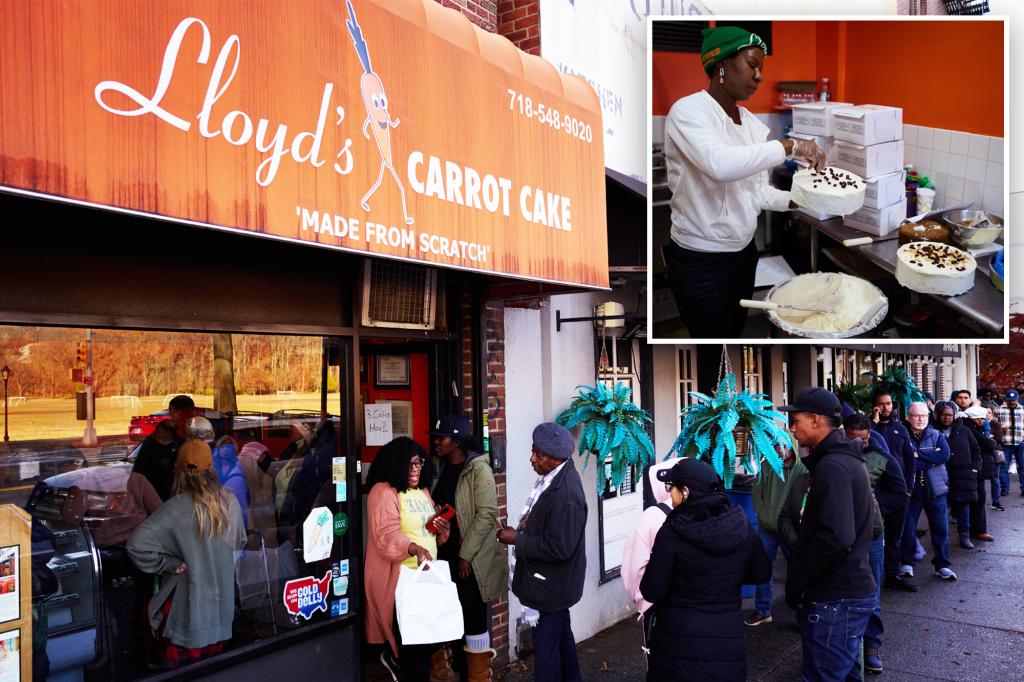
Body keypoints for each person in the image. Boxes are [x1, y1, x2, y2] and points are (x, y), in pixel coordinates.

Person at [662, 25, 826, 338]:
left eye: (761, 68)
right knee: (711, 343)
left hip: (742, 255)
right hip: (700, 259)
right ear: (721, 65)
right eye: (752, 65)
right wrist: (791, 146)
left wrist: (799, 199)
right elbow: (720, 165)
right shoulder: (688, 112)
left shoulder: (751, 123)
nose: (759, 76)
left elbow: (756, 191)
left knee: (734, 333)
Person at [639, 458, 770, 681]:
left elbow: (652, 590)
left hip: (678, 643)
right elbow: (760, 573)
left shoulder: (672, 531)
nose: (670, 495)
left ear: (686, 491)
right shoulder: (741, 524)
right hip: (726, 640)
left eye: (672, 489)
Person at [779, 388, 876, 682]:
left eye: (796, 420)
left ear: (816, 420)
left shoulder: (833, 466)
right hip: (843, 595)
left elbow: (836, 537)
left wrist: (802, 579)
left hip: (836, 598)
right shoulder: (836, 461)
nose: (792, 428)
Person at [126, 439, 246, 669]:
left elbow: (135, 545)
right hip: (221, 617)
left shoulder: (174, 509)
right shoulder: (230, 501)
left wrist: (169, 563)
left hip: (186, 620)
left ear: (178, 471)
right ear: (211, 467)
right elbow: (238, 543)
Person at [497, 423, 586, 682]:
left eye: (538, 454)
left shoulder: (566, 494)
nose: (532, 458)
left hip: (552, 587)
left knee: (546, 652)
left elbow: (561, 547)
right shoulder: (554, 478)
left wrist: (518, 540)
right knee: (562, 641)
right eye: (533, 451)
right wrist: (519, 533)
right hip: (552, 585)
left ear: (556, 458)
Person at [364, 437, 451, 682]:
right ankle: (395, 659)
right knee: (414, 652)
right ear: (395, 464)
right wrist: (413, 548)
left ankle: (395, 660)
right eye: (409, 463)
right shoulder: (382, 492)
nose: (415, 469)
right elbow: (386, 536)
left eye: (419, 462)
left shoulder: (422, 491)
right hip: (401, 581)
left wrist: (442, 530)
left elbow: (427, 531)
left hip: (425, 578)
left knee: (427, 643)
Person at [429, 415, 508, 682]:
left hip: (470, 560)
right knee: (450, 617)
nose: (437, 442)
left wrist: (465, 554)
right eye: (435, 438)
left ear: (458, 441)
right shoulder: (439, 468)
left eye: (442, 438)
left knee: (473, 617)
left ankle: (477, 678)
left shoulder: (477, 469)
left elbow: (486, 514)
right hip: (444, 557)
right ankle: (458, 672)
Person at [844, 412, 908, 675]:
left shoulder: (883, 459)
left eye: (860, 439)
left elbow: (899, 493)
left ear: (869, 435)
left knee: (871, 593)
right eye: (850, 439)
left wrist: (873, 504)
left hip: (871, 536)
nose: (856, 444)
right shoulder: (835, 456)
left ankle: (871, 645)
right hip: (842, 535)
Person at [621, 460, 678, 666]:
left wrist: (642, 600)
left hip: (660, 605)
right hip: (700, 608)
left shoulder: (653, 516)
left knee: (661, 664)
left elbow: (633, 567)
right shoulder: (715, 512)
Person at [745, 444, 807, 627]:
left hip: (793, 529)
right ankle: (763, 611)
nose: (780, 450)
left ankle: (803, 614)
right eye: (776, 446)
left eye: (784, 446)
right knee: (763, 570)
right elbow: (756, 492)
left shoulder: (803, 468)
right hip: (768, 527)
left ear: (792, 447)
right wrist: (763, 515)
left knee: (799, 571)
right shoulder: (766, 466)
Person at [899, 402, 955, 581]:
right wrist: (930, 459)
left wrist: (918, 456)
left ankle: (942, 565)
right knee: (908, 529)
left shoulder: (936, 434)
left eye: (924, 415)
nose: (921, 419)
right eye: (916, 416)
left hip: (936, 490)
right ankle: (906, 564)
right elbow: (902, 461)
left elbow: (944, 456)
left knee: (941, 530)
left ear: (929, 416)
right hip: (911, 491)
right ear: (908, 417)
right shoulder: (902, 434)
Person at [870, 390, 917, 591]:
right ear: (875, 406)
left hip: (898, 492)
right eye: (881, 404)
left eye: (888, 403)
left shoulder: (901, 429)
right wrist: (873, 422)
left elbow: (909, 459)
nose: (886, 407)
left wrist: (907, 489)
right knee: (873, 535)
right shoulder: (869, 429)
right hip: (876, 490)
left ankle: (893, 574)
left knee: (894, 536)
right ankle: (873, 578)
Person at [934, 401, 981, 550]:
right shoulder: (933, 431)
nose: (946, 418)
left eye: (949, 415)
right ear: (938, 416)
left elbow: (975, 450)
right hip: (941, 475)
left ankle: (964, 536)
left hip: (963, 475)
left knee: (963, 505)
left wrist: (975, 468)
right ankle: (941, 539)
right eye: (943, 415)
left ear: (954, 415)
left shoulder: (965, 431)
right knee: (940, 507)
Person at [963, 405, 996, 542]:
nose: (984, 421)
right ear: (976, 419)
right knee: (977, 499)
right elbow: (988, 445)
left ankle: (975, 529)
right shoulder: (969, 428)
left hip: (976, 468)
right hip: (973, 469)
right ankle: (977, 530)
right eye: (982, 418)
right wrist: (991, 441)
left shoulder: (972, 427)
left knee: (978, 498)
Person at [132, 417, 183, 502]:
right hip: (153, 497)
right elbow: (139, 475)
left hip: (173, 498)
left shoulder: (177, 444)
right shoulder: (149, 446)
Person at [996, 389, 1024, 497]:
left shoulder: (1023, 410)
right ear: (1006, 399)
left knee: (1022, 466)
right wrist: (999, 428)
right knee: (1003, 467)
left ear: (1017, 399)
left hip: (1020, 442)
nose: (1011, 402)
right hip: (1005, 443)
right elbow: (992, 425)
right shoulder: (998, 410)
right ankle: (1004, 488)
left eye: (1013, 400)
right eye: (1009, 400)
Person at [987, 408, 1006, 511]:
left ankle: (996, 502)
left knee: (995, 479)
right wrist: (990, 436)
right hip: (981, 454)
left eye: (989, 413)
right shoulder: (976, 423)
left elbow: (999, 439)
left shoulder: (996, 424)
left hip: (994, 454)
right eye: (985, 413)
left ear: (992, 414)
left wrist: (988, 436)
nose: (987, 415)